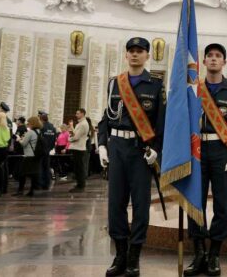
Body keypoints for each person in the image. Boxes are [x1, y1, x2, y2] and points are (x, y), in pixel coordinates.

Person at [97, 37, 165, 277]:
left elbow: (161, 122)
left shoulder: (156, 85)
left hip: (140, 151)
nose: (135, 54)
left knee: (140, 204)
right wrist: (102, 145)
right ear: (126, 55)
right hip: (116, 147)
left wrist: (156, 149)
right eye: (131, 51)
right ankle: (120, 255)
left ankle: (134, 257)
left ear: (147, 56)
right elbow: (106, 117)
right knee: (115, 203)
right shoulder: (115, 83)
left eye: (140, 51)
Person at [182, 43, 227, 277]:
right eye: (209, 55)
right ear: (203, 61)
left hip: (222, 150)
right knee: (195, 203)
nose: (213, 59)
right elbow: (182, 121)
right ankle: (199, 252)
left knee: (222, 204)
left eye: (218, 56)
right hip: (197, 150)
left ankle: (214, 254)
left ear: (224, 62)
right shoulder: (193, 89)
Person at [15, 116, 41, 197]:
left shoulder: (30, 132)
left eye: (29, 122)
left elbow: (23, 144)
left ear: (32, 123)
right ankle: (32, 191)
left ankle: (20, 190)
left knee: (22, 174)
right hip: (36, 155)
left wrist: (19, 139)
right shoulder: (39, 131)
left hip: (28, 155)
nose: (27, 124)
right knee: (33, 174)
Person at [68, 108, 90, 192]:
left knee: (79, 168)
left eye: (78, 113)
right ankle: (79, 184)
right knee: (77, 168)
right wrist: (72, 129)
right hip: (77, 147)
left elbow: (76, 137)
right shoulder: (80, 123)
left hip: (79, 148)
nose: (76, 115)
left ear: (82, 114)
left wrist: (69, 139)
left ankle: (80, 186)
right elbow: (75, 134)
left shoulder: (83, 124)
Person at [38, 111, 58, 191]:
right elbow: (54, 139)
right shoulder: (52, 127)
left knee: (41, 167)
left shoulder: (41, 127)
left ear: (41, 119)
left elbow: (39, 138)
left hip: (41, 149)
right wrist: (50, 148)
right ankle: (46, 183)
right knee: (46, 167)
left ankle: (41, 183)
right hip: (48, 149)